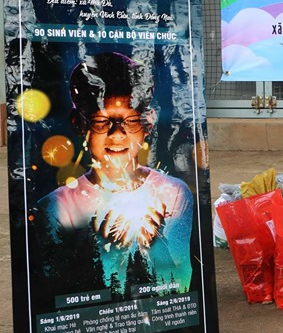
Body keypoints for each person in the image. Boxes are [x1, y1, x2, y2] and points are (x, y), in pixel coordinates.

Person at [39, 51, 194, 298]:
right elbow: (54, 295)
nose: (117, 134)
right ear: (79, 124)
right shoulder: (57, 208)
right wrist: (101, 251)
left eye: (130, 121)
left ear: (147, 123)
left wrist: (155, 244)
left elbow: (181, 284)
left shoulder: (173, 194)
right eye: (101, 122)